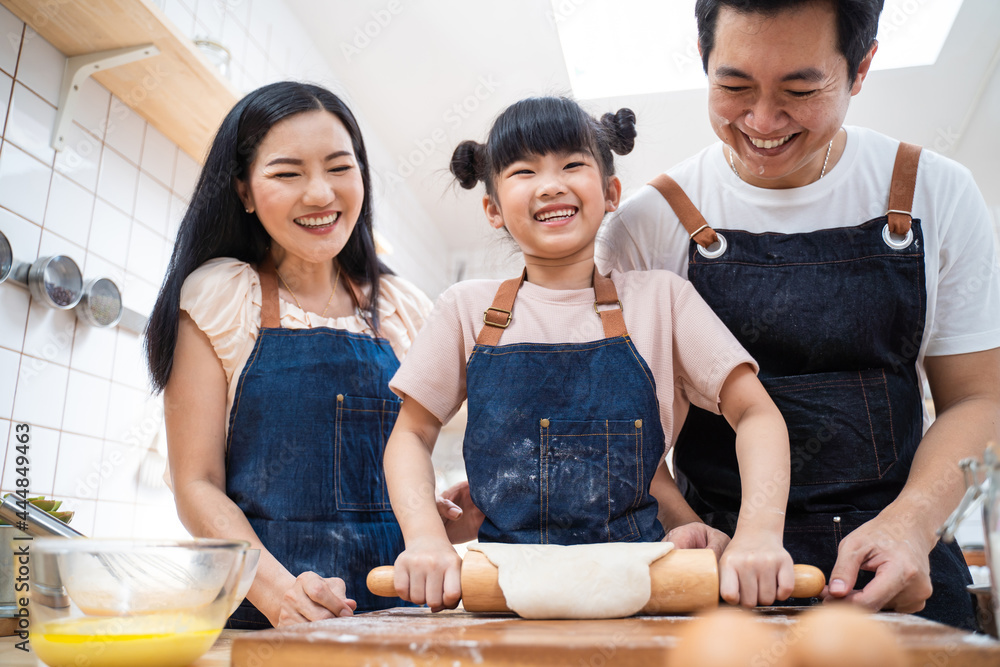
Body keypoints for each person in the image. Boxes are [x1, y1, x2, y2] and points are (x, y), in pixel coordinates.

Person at [596, 0, 1000, 630]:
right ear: (702, 61)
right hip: (717, 581)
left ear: (861, 68)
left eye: (800, 89)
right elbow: (623, 429)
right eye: (733, 86)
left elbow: (980, 398)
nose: (761, 119)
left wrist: (911, 524)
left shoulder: (933, 191)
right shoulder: (645, 226)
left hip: (897, 573)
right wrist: (684, 531)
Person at [384, 96, 796, 611]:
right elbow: (411, 433)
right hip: (501, 596)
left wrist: (758, 533)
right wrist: (424, 538)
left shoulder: (661, 300)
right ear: (492, 209)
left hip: (641, 590)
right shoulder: (466, 309)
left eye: (573, 164)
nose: (551, 183)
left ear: (610, 192)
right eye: (523, 170)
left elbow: (756, 413)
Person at [144, 81, 435, 628]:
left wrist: (441, 519)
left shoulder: (403, 309)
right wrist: (278, 593)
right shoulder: (223, 297)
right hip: (261, 616)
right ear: (245, 192)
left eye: (339, 167)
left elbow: (402, 475)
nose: (321, 194)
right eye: (287, 173)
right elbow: (196, 484)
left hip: (399, 617)